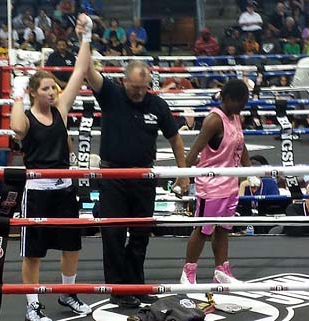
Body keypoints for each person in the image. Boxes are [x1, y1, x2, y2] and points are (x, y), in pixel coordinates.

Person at [80, 25, 189, 306]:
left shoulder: (157, 104)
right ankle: (118, 289)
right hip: (113, 175)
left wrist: (183, 173)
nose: (140, 92)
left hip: (144, 177)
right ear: (124, 81)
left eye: (144, 87)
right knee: (113, 233)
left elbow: (176, 139)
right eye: (135, 87)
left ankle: (135, 284)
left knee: (140, 234)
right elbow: (88, 69)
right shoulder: (111, 94)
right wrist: (86, 37)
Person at [10, 13, 93, 321]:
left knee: (71, 246)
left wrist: (86, 37)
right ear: (34, 92)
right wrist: (17, 94)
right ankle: (32, 304)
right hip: (38, 190)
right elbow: (17, 129)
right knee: (33, 253)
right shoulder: (27, 115)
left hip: (64, 188)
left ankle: (67, 293)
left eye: (53, 88)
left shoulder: (60, 109)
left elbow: (81, 70)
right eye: (45, 88)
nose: (52, 92)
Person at [180, 79, 251, 284]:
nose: (243, 107)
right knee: (202, 230)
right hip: (210, 186)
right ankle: (188, 273)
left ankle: (222, 271)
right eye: (241, 102)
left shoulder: (236, 116)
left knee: (223, 229)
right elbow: (194, 151)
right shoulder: (214, 120)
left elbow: (241, 144)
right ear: (228, 99)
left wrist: (250, 171)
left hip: (230, 184)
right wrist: (181, 177)